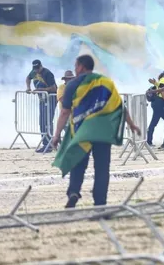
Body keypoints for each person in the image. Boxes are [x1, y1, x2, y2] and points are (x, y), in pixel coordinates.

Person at [52, 55, 141, 208]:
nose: (75, 68)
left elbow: (65, 112)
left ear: (81, 66)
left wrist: (56, 134)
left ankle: (74, 191)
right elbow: (118, 106)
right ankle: (100, 202)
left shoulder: (72, 85)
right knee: (102, 168)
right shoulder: (106, 82)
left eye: (76, 65)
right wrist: (131, 124)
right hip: (102, 132)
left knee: (78, 163)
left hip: (82, 133)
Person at [26, 59, 57, 153]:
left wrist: (41, 89)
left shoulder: (48, 73)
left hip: (51, 99)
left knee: (47, 121)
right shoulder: (33, 72)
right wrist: (28, 87)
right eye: (34, 68)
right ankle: (45, 143)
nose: (36, 70)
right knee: (42, 121)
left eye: (37, 68)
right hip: (42, 100)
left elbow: (53, 88)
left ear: (41, 66)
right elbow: (28, 78)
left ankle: (50, 144)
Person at [146, 68, 164, 146]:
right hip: (159, 103)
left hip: (158, 103)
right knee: (155, 122)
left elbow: (161, 87)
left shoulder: (162, 79)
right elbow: (163, 93)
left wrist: (155, 83)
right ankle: (148, 141)